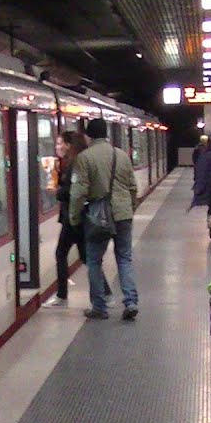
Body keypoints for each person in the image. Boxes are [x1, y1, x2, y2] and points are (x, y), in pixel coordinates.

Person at [68, 118, 139, 320]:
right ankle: (131, 301)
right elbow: (133, 187)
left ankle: (99, 306)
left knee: (94, 261)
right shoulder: (122, 155)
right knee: (124, 258)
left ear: (89, 136)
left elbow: (78, 192)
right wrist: (129, 208)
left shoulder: (84, 158)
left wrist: (74, 218)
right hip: (123, 214)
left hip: (99, 216)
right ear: (107, 133)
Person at [44, 130, 112, 307]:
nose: (57, 147)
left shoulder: (76, 163)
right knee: (85, 257)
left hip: (74, 218)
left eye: (60, 143)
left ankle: (63, 296)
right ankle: (105, 293)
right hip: (75, 217)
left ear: (68, 145)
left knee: (65, 254)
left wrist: (57, 191)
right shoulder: (72, 162)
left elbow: (72, 191)